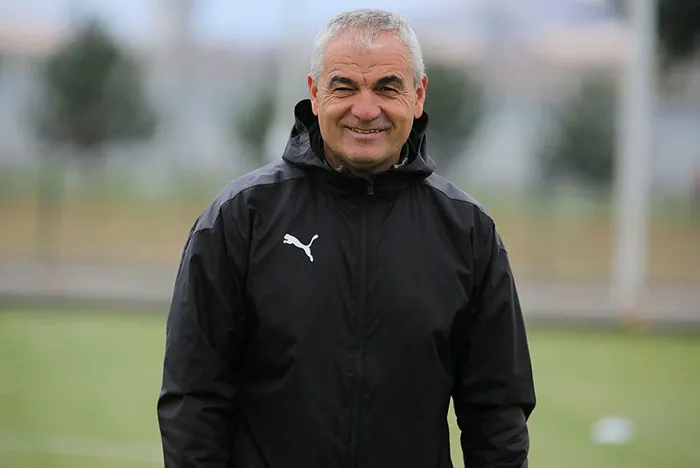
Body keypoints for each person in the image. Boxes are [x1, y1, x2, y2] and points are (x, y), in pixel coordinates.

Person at [157, 8, 536, 468]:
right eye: (344, 87)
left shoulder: (468, 232)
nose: (366, 109)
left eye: (387, 88)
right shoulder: (240, 218)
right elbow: (194, 397)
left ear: (418, 96)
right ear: (315, 94)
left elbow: (497, 412)